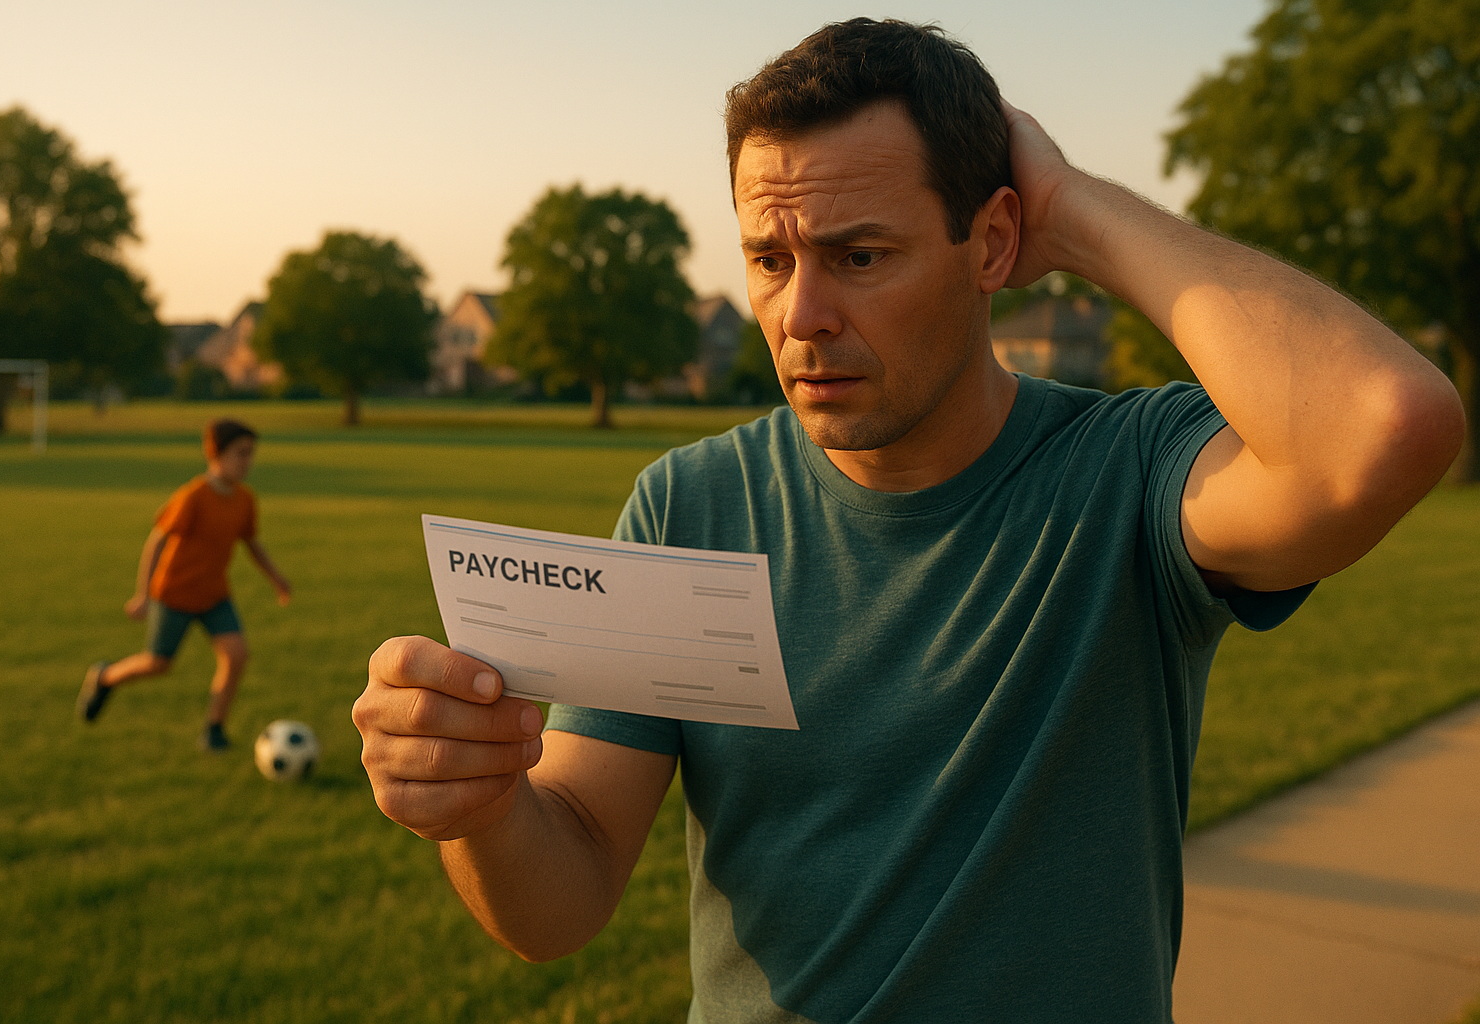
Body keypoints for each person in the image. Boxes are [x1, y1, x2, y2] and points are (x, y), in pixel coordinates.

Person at [352, 18, 1464, 1022]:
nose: (802, 315)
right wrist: (480, 805)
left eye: (859, 256)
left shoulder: (1129, 475)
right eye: (769, 259)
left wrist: (1074, 212)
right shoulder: (690, 505)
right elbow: (561, 902)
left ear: (993, 244)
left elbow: (1386, 427)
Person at [79, 417, 291, 751]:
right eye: (241, 453)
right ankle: (105, 677)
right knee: (158, 664)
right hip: (174, 595)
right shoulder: (193, 497)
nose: (248, 461)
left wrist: (277, 579)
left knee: (236, 656)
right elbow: (157, 541)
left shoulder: (245, 500)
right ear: (215, 454)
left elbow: (251, 543)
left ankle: (214, 729)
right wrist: (143, 594)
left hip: (215, 596)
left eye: (251, 453)